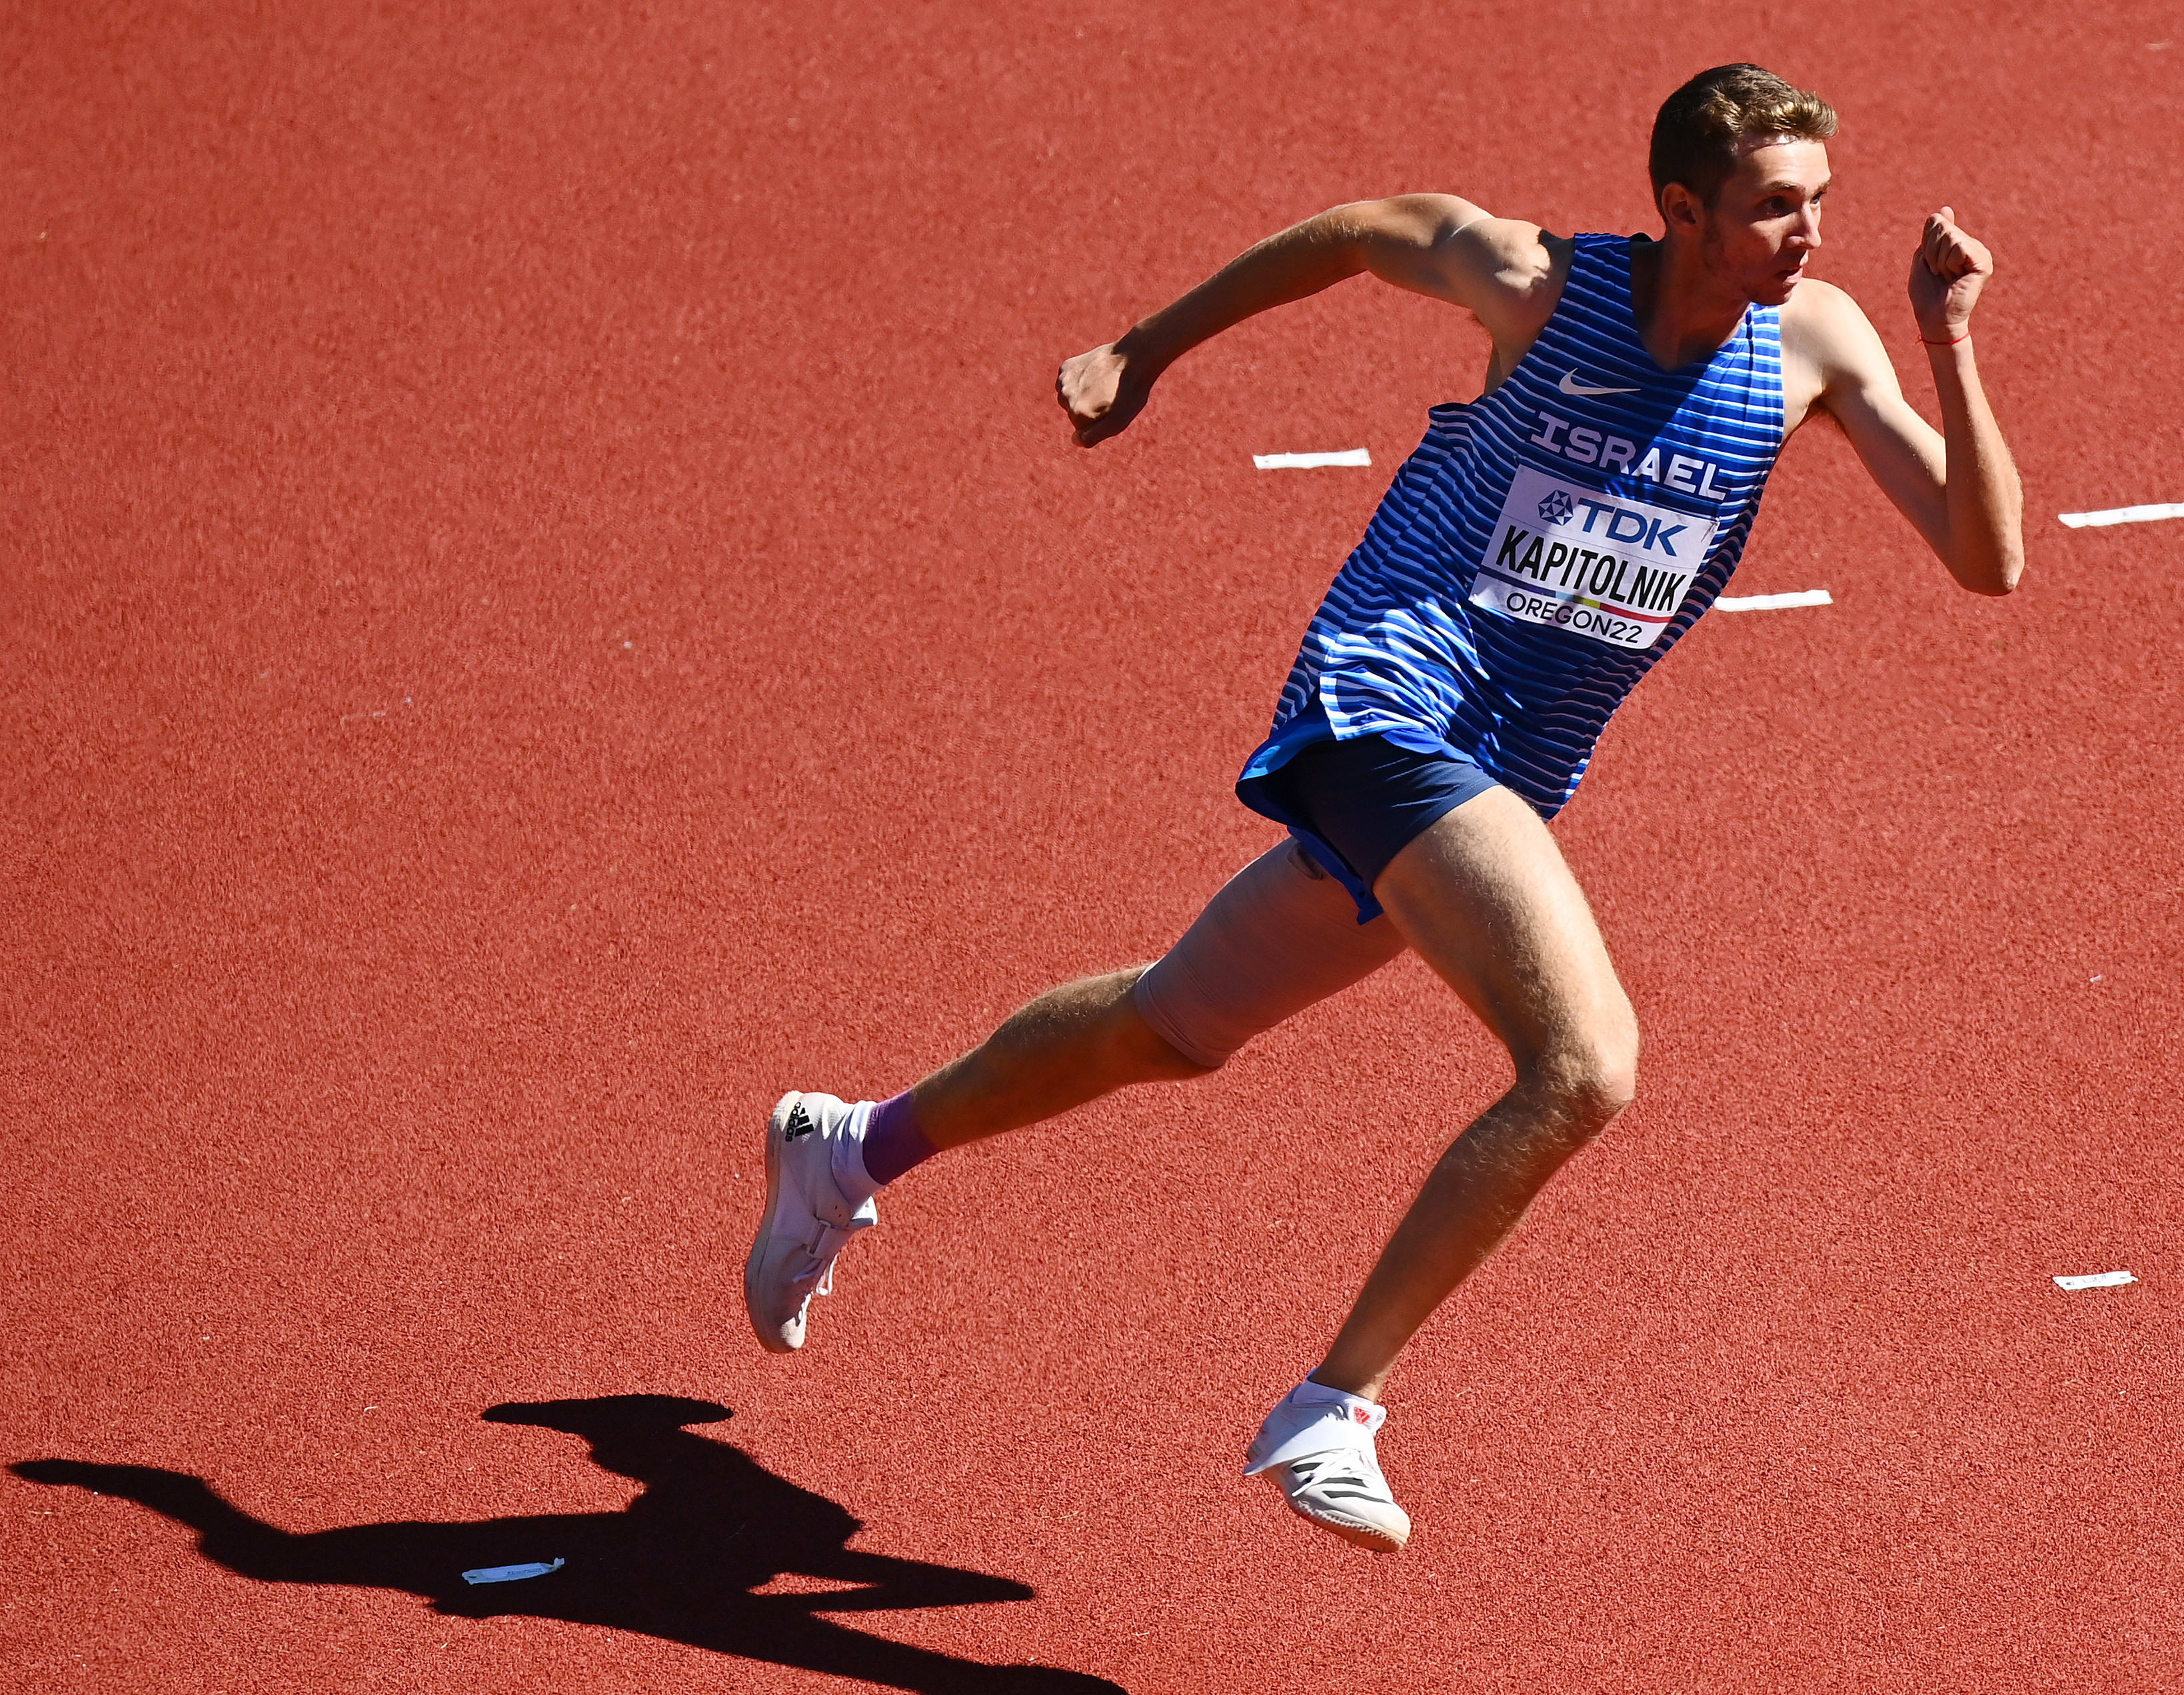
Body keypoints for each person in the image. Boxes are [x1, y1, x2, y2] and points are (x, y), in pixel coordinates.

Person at [744, 63, 2023, 1554]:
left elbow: (1984, 558)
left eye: (1819, 202)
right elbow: (1360, 230)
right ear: (1681, 209)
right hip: (1390, 702)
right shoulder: (1538, 285)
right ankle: (1331, 1405)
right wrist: (1142, 352)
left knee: (1164, 1026)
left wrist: (1946, 344)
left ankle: (843, 1149)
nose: (1808, 232)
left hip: (1511, 766)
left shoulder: (1816, 345)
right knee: (1584, 1063)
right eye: (1771, 207)